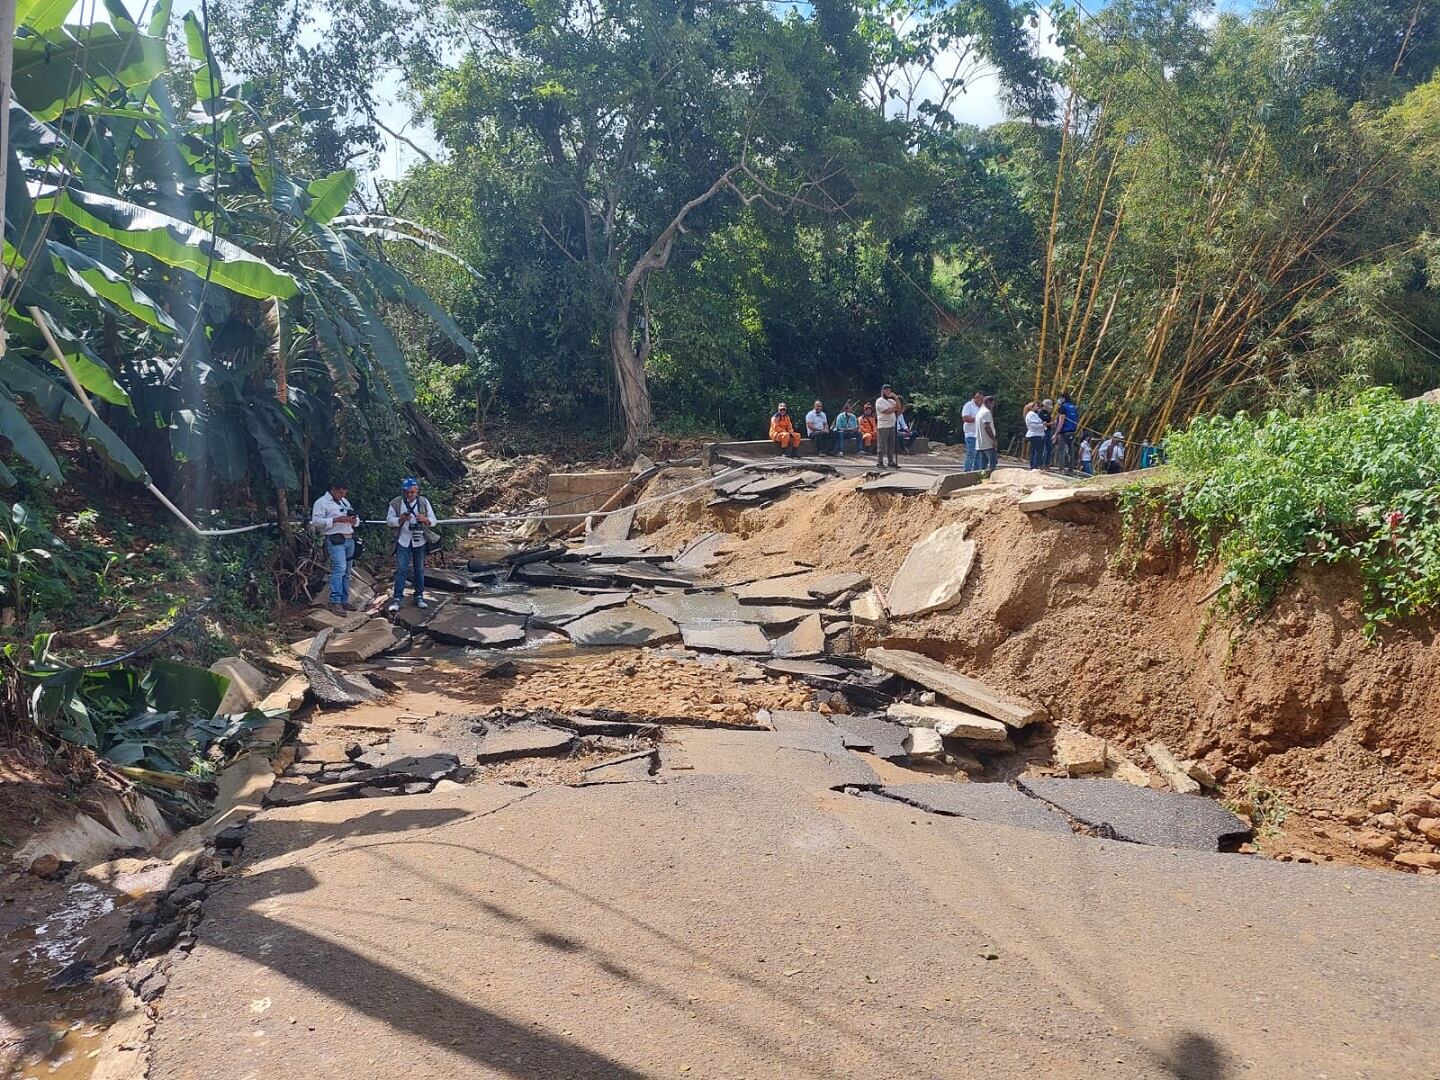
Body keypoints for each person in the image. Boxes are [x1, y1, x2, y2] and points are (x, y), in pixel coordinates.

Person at [386, 477, 437, 611]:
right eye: (407, 492)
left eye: (412, 492)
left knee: (419, 570)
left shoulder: (424, 502)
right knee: (401, 570)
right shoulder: (395, 503)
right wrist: (400, 519)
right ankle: (397, 598)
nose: (410, 495)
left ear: (417, 491)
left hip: (419, 540)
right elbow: (389, 521)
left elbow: (434, 520)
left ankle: (419, 596)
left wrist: (425, 519)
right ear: (403, 491)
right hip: (403, 540)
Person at [311, 482, 359, 616]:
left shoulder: (344, 501)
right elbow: (316, 522)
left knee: (347, 571)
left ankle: (344, 599)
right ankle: (335, 601)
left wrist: (353, 520)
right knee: (339, 569)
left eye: (344, 493)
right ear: (333, 490)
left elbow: (357, 520)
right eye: (340, 493)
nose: (342, 495)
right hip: (336, 539)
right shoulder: (321, 502)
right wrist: (335, 520)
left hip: (349, 538)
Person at [874, 384, 900, 467]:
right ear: (883, 391)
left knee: (891, 444)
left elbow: (899, 407)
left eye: (889, 390)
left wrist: (896, 398)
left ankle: (890, 461)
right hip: (883, 425)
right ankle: (880, 462)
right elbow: (886, 411)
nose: (889, 392)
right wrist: (894, 409)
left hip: (892, 425)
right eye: (887, 390)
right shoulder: (879, 401)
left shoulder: (891, 401)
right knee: (882, 445)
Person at [1054, 392, 1080, 473]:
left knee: (1061, 451)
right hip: (1073, 431)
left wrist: (1056, 433)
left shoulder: (1063, 407)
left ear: (1063, 398)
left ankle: (1061, 469)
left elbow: (1061, 421)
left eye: (1061, 398)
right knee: (1071, 452)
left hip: (1064, 432)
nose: (1059, 400)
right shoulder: (1074, 407)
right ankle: (1071, 470)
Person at [974, 394, 997, 472]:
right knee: (993, 463)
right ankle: (993, 478)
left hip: (980, 443)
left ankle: (981, 478)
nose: (993, 406)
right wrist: (993, 439)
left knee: (983, 465)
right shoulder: (986, 412)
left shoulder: (979, 412)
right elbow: (987, 426)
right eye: (992, 403)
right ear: (988, 402)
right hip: (988, 443)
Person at [961, 391, 983, 471]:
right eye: (980, 399)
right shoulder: (968, 405)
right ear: (976, 398)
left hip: (980, 435)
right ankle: (966, 471)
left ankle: (977, 472)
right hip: (970, 434)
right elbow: (965, 418)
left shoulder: (982, 408)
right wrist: (977, 419)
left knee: (979, 454)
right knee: (971, 453)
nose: (981, 401)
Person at [1024, 401, 1047, 470]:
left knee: (1034, 451)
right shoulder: (1031, 414)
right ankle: (1035, 466)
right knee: (1038, 451)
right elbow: (1033, 425)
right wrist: (1043, 425)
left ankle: (1033, 466)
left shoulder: (1033, 414)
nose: (1038, 407)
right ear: (1032, 407)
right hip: (1036, 434)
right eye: (1036, 406)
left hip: (1035, 434)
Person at [1039, 398, 1055, 466]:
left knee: (1049, 448)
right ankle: (1041, 464)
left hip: (1049, 431)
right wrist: (1052, 423)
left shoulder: (1048, 413)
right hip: (1043, 431)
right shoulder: (1040, 412)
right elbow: (1042, 423)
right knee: (1043, 448)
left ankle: (1047, 464)